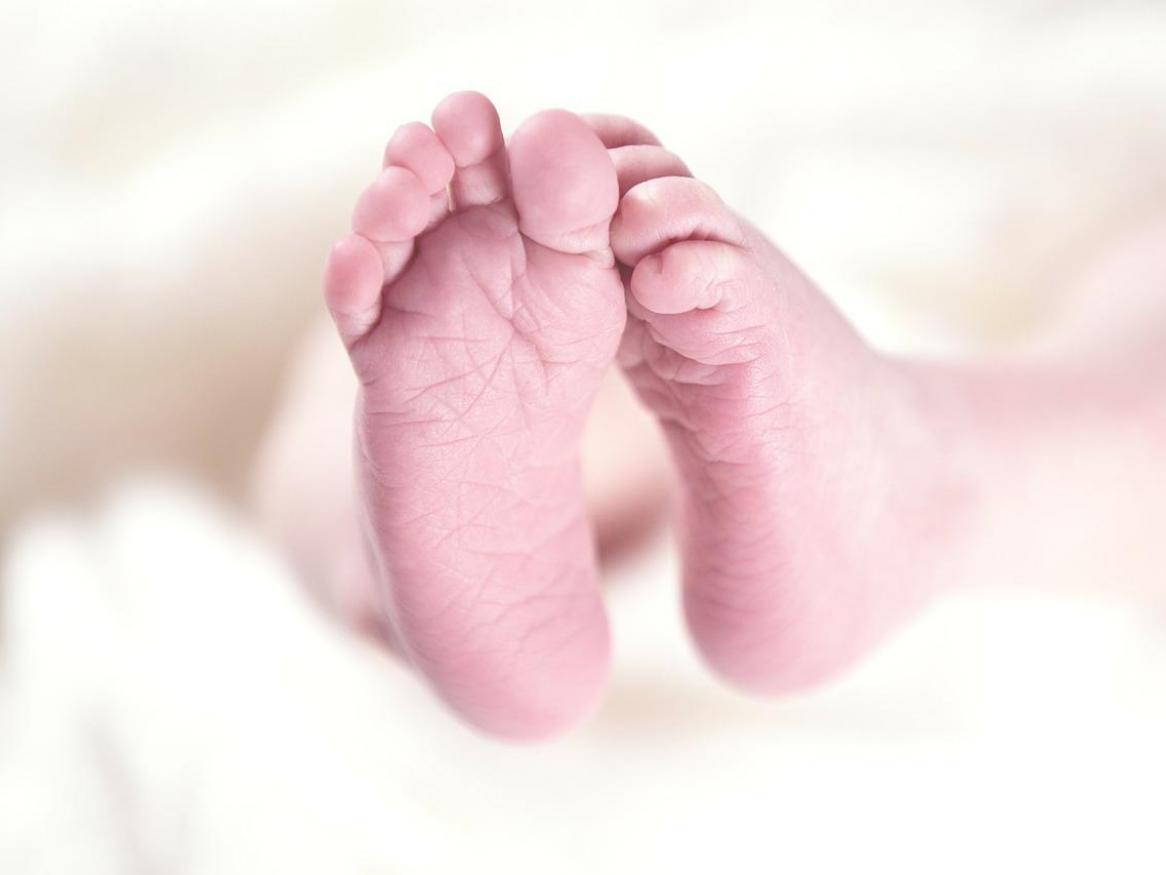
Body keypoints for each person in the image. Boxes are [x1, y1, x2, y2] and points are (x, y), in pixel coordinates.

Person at [254, 91, 1166, 740]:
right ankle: (923, 469)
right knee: (440, 314)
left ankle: (371, 551)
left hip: (878, 280)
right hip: (945, 288)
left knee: (365, 355)